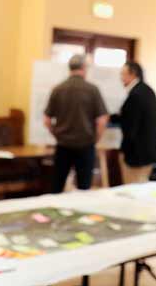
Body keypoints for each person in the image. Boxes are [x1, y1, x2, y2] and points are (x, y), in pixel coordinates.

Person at [44, 54, 108, 193]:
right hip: (85, 145)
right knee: (84, 188)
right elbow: (102, 120)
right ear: (84, 68)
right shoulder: (92, 89)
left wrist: (56, 135)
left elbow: (47, 120)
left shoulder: (58, 89)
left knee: (57, 185)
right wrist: (95, 138)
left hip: (63, 145)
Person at [115, 61, 156, 184]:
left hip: (136, 155)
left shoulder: (135, 95)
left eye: (123, 74)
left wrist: (123, 151)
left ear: (133, 74)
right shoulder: (147, 91)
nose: (121, 78)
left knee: (132, 190)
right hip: (149, 152)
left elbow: (131, 126)